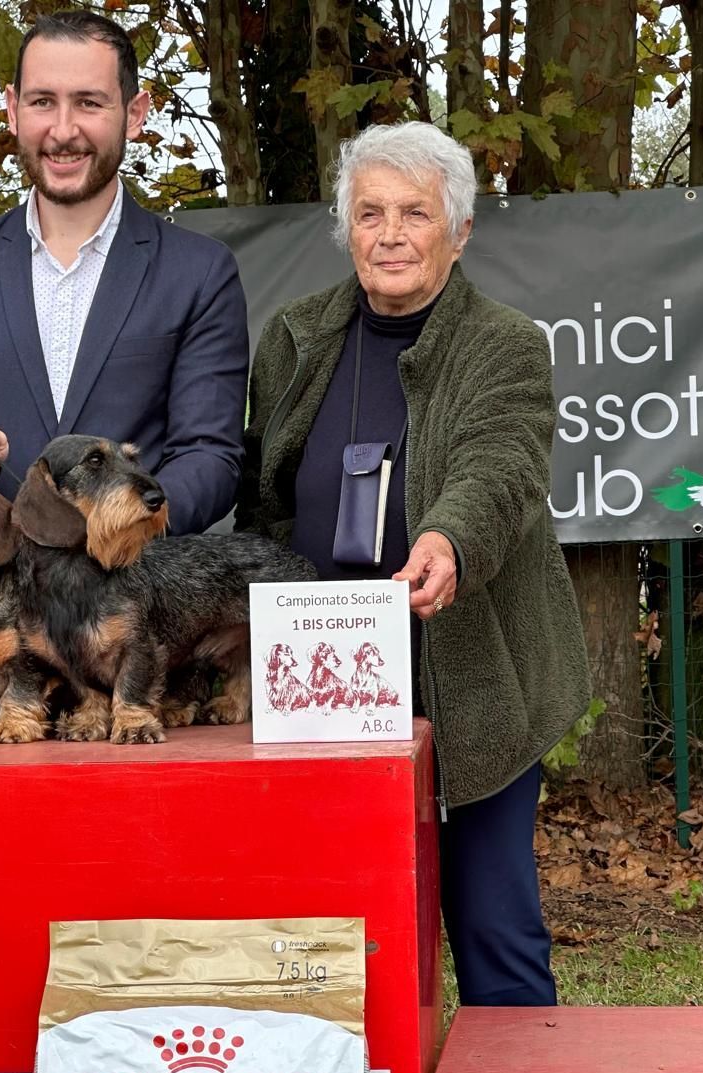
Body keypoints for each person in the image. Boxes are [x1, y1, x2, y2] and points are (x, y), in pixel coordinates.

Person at [235, 122, 591, 1006]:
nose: (390, 234)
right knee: (326, 943)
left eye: (415, 214)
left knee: (493, 928)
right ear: (347, 229)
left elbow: (500, 467)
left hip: (474, 673)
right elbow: (265, 494)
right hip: (320, 682)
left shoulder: (504, 343)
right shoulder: (293, 336)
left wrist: (446, 542)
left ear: (459, 232)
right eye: (370, 213)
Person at [0, 12, 247, 534]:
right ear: (12, 110)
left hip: (131, 597)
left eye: (89, 102)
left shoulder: (200, 272)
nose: (62, 130)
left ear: (135, 113)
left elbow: (210, 457)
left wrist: (116, 529)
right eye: (42, 102)